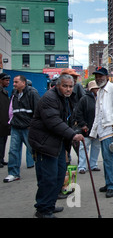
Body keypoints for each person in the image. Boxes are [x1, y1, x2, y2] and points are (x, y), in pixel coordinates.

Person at [28, 74, 85, 218]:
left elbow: (67, 120)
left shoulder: (66, 99)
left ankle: (49, 205)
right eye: (64, 86)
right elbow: (54, 122)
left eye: (70, 86)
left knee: (60, 175)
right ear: (57, 85)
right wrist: (72, 135)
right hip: (45, 144)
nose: (68, 89)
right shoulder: (49, 98)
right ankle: (43, 209)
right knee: (48, 178)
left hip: (57, 143)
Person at [90, 67, 113, 198]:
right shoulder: (100, 91)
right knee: (106, 159)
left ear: (106, 77)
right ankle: (110, 182)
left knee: (108, 158)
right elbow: (98, 113)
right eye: (96, 76)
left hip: (110, 128)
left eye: (101, 76)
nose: (98, 78)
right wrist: (93, 131)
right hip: (102, 128)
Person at [4, 75, 40, 183]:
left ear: (23, 83)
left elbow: (38, 111)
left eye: (16, 82)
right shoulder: (14, 94)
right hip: (16, 127)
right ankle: (13, 173)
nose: (13, 84)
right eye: (13, 82)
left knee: (34, 151)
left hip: (28, 128)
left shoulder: (32, 93)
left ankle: (43, 171)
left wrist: (33, 125)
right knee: (13, 151)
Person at [74, 80, 101, 174]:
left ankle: (93, 165)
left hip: (98, 128)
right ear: (91, 89)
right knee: (83, 147)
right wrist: (83, 124)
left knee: (96, 147)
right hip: (87, 127)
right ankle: (82, 166)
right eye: (95, 88)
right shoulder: (84, 99)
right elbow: (79, 113)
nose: (97, 89)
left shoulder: (101, 98)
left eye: (98, 88)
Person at [0, 73, 11, 167]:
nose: (8, 82)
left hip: (4, 122)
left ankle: (1, 158)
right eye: (6, 80)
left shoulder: (4, 92)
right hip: (1, 122)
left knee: (3, 141)